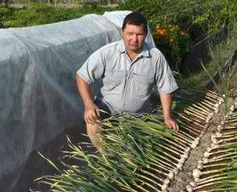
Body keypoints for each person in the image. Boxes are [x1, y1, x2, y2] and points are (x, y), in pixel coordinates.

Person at [76, 12, 179, 148]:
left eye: (139, 34)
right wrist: (89, 104)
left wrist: (167, 116)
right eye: (130, 33)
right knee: (92, 122)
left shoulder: (155, 57)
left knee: (134, 154)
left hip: (138, 116)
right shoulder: (107, 53)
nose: (134, 39)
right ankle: (106, 157)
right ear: (122, 32)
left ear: (146, 34)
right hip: (108, 108)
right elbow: (82, 77)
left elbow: (165, 88)